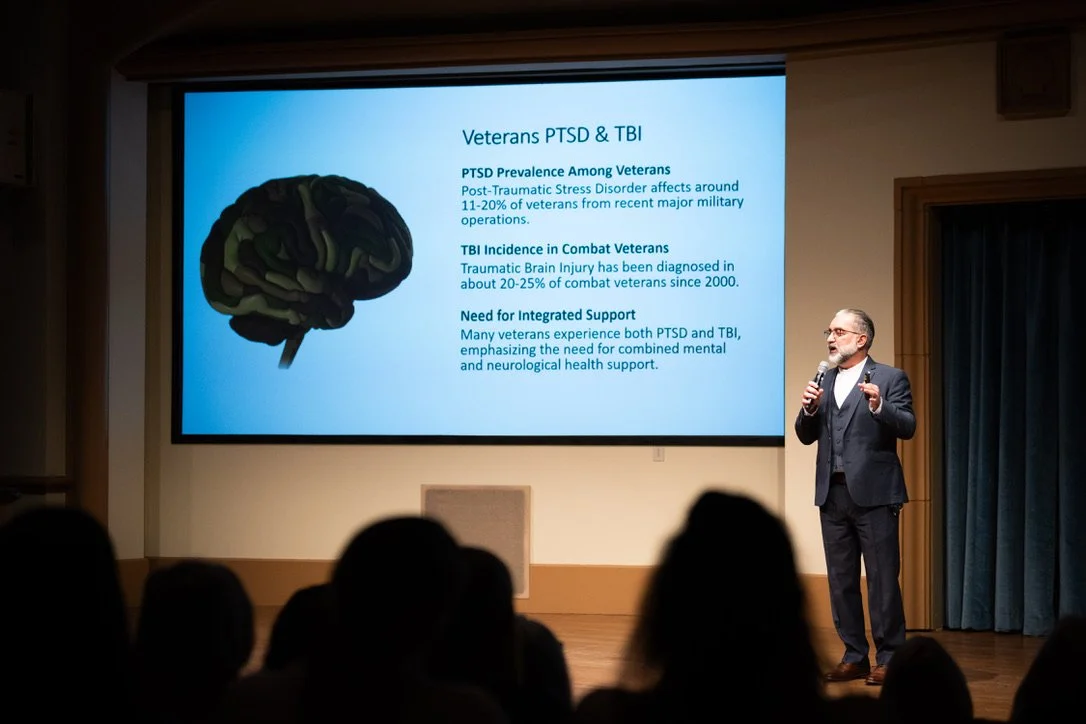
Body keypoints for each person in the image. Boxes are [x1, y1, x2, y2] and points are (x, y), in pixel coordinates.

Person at [795, 308, 915, 686]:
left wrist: (880, 405)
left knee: (881, 579)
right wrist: (808, 409)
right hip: (832, 494)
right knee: (841, 580)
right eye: (829, 331)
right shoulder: (824, 379)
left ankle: (890, 657)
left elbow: (908, 426)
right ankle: (854, 655)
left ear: (861, 339)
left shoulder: (890, 377)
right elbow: (805, 433)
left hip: (875, 495)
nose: (831, 338)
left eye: (839, 331)